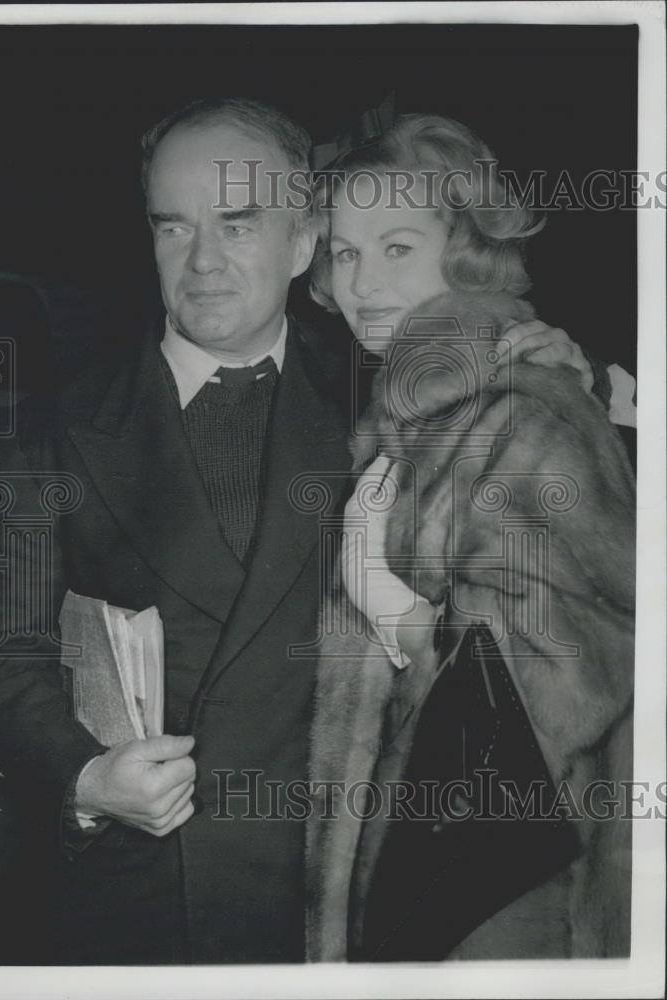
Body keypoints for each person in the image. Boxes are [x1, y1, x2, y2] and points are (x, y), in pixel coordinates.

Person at [0, 98, 606, 966]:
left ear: (301, 244)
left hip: (331, 907)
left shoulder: (393, 403)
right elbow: (0, 641)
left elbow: (553, 632)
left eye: (236, 222)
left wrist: (557, 369)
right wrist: (80, 776)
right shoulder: (53, 427)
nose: (203, 261)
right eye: (172, 226)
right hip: (118, 905)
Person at [305, 114, 635, 961]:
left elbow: (574, 673)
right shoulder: (405, 421)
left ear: (466, 250)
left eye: (397, 247)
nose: (363, 281)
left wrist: (408, 624)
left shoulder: (522, 413)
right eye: (344, 251)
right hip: (416, 855)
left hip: (498, 889)